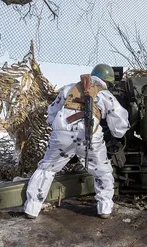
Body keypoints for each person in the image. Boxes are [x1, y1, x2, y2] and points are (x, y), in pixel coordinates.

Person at [24, 64, 130, 219]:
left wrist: (55, 127)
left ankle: (32, 208)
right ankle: (104, 208)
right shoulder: (106, 95)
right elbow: (119, 123)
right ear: (107, 81)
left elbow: (52, 111)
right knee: (102, 171)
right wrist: (117, 134)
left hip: (62, 134)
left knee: (47, 169)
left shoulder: (68, 88)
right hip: (89, 136)